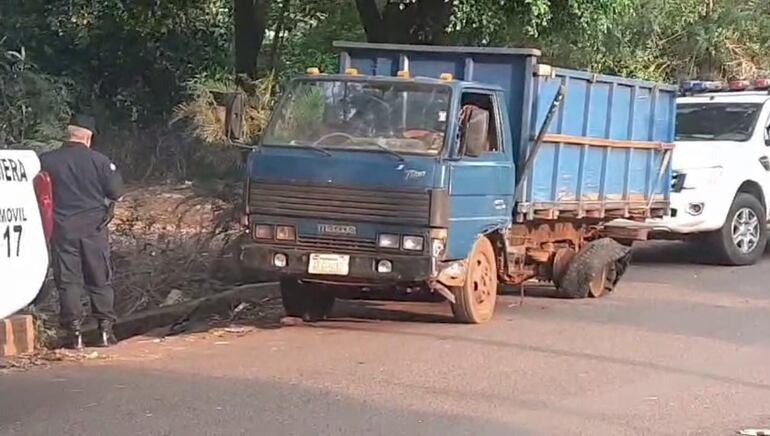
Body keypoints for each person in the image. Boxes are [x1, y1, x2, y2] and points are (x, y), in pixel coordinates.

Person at [40, 114, 124, 349]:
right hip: (94, 229)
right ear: (88, 137)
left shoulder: (46, 160)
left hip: (62, 229)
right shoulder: (99, 161)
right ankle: (105, 331)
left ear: (67, 134)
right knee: (99, 279)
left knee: (68, 282)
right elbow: (116, 192)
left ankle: (74, 334)